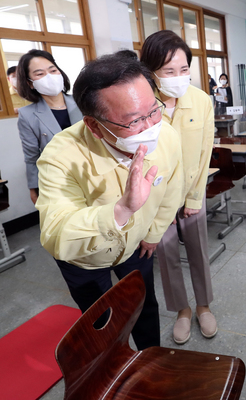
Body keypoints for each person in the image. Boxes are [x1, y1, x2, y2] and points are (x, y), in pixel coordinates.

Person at [36, 51, 184, 350]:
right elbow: (55, 234)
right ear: (93, 125)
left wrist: (153, 234)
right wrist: (120, 211)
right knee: (102, 324)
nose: (150, 127)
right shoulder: (61, 155)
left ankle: (149, 362)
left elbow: (172, 189)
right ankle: (114, 376)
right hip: (86, 259)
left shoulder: (165, 134)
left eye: (153, 111)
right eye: (133, 121)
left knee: (144, 307)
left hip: (138, 246)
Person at [140, 30, 216, 345]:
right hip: (156, 200)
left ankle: (203, 306)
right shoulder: (142, 105)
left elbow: (205, 152)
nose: (178, 77)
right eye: (169, 71)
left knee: (198, 252)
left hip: (191, 194)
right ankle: (182, 310)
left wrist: (195, 197)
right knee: (167, 257)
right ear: (151, 72)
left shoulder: (200, 100)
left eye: (183, 70)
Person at [16, 50, 83, 205]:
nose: (49, 76)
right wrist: (34, 187)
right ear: (30, 82)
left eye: (53, 70)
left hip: (92, 172)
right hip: (59, 180)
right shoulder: (27, 114)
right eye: (39, 74)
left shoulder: (81, 102)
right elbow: (32, 156)